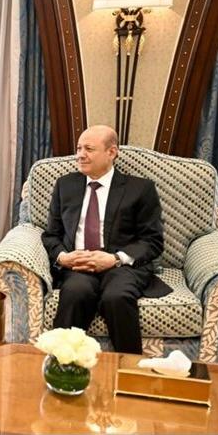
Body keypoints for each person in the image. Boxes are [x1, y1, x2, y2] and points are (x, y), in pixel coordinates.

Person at [42, 125, 171, 354]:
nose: (80, 155)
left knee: (117, 297)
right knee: (76, 292)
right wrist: (63, 257)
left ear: (111, 152)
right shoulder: (65, 185)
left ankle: (129, 368)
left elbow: (152, 240)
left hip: (122, 267)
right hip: (77, 266)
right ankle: (60, 364)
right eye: (79, 148)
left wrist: (115, 259)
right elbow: (51, 234)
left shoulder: (140, 189)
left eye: (89, 149)